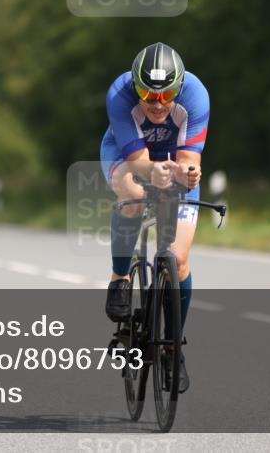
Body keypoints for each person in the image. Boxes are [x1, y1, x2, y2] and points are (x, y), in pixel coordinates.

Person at [101, 43, 208, 393]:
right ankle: (120, 277)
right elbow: (138, 161)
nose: (157, 104)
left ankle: (174, 348)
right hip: (126, 152)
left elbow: (190, 158)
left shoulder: (196, 94)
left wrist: (188, 175)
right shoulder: (119, 93)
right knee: (132, 195)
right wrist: (154, 172)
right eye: (148, 93)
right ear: (136, 86)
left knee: (177, 260)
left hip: (174, 160)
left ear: (179, 87)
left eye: (166, 95)